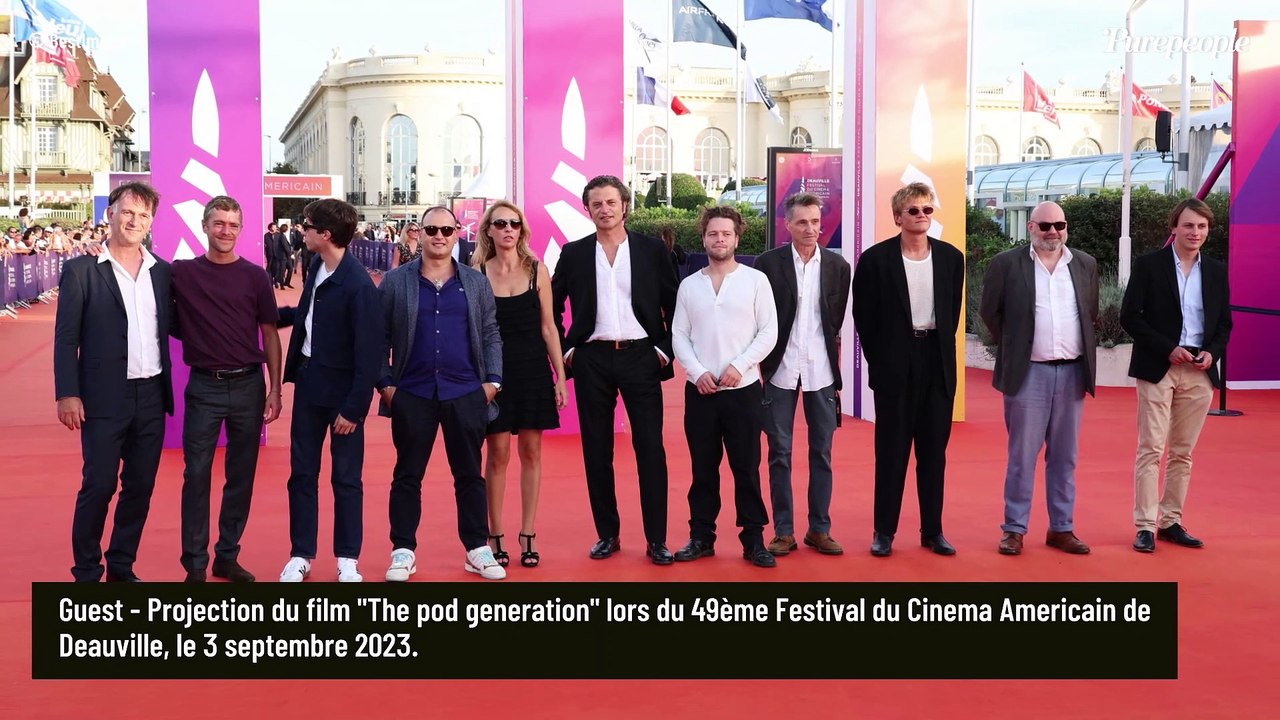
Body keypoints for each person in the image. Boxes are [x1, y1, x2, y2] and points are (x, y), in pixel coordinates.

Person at [551, 174, 678, 565]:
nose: (604, 209)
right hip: (592, 359)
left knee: (650, 450)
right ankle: (607, 533)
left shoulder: (653, 251)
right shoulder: (572, 254)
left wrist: (663, 350)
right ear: (587, 210)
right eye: (596, 204)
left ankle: (657, 539)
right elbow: (551, 308)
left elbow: (676, 306)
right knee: (596, 450)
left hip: (642, 357)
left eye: (610, 202)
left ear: (624, 205)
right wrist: (568, 352)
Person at [378, 206, 506, 581]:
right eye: (431, 229)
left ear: (456, 234)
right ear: (419, 233)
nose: (439, 236)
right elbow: (378, 337)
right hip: (411, 393)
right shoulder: (396, 281)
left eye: (446, 230)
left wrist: (492, 383)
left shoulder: (475, 281)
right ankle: (402, 550)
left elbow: (490, 332)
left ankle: (476, 548)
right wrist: (386, 387)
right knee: (407, 475)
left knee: (469, 474)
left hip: (465, 391)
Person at [54, 181, 173, 581]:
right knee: (99, 485)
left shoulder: (163, 273)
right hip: (103, 397)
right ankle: (86, 570)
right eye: (127, 212)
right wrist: (67, 393)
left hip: (152, 395)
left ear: (151, 222)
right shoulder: (82, 270)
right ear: (110, 214)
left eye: (143, 215)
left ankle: (121, 566)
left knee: (140, 488)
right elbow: (66, 337)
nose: (134, 220)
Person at [172, 196, 284, 582]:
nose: (225, 231)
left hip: (249, 386)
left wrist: (275, 390)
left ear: (241, 229)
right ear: (204, 226)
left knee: (242, 475)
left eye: (233, 225)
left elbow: (270, 333)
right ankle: (196, 565)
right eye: (218, 223)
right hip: (204, 386)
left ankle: (227, 555)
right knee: (196, 473)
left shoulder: (255, 276)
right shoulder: (181, 274)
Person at [851, 182, 964, 558]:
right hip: (895, 364)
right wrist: (881, 362)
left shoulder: (951, 258)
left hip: (936, 361)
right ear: (898, 217)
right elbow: (863, 318)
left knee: (934, 454)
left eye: (928, 210)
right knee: (892, 452)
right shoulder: (875, 259)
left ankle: (933, 530)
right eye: (914, 210)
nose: (922, 216)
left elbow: (951, 313)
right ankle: (884, 531)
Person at [980, 201, 1098, 557]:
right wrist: (1019, 346)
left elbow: (1088, 312)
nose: (1053, 233)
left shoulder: (1084, 264)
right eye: (1045, 226)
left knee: (1065, 456)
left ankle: (1061, 528)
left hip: (1072, 372)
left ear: (1066, 228)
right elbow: (990, 313)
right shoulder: (1006, 264)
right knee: (1022, 455)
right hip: (1028, 373)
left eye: (1059, 226)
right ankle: (1014, 529)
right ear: (1030, 227)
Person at [278, 198, 383, 582]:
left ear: (325, 234)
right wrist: (267, 314)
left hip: (343, 396)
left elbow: (369, 352)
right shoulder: (317, 264)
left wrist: (354, 408)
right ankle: (301, 553)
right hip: (308, 387)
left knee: (346, 478)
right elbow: (308, 314)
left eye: (307, 226)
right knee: (301, 474)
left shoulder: (358, 285)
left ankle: (347, 558)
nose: (301, 231)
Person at [1121, 198, 1231, 553]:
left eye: (1201, 227)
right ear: (1174, 228)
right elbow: (1130, 316)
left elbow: (1224, 323)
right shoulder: (1149, 265)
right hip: (1159, 367)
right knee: (1151, 448)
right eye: (1188, 225)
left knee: (1182, 453)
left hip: (1199, 372)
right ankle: (1145, 526)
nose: (1195, 232)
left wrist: (1212, 351)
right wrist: (1168, 347)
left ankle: (1171, 521)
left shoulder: (1215, 270)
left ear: (1208, 231)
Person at [671, 206, 778, 568]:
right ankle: (701, 537)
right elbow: (679, 335)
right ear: (703, 238)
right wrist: (697, 371)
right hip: (700, 392)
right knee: (703, 469)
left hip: (744, 390)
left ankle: (753, 539)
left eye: (726, 234)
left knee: (746, 468)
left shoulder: (755, 281)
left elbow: (769, 331)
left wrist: (739, 365)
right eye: (713, 233)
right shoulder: (689, 285)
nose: (720, 239)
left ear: (737, 237)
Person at [754, 192, 851, 557]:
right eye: (802, 222)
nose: (811, 229)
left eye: (815, 221)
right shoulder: (767, 264)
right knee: (779, 451)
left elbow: (834, 318)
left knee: (822, 451)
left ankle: (819, 528)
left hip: (821, 371)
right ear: (788, 225)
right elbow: (760, 317)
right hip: (779, 370)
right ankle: (783, 531)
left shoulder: (838, 267)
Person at [472, 201, 567, 568]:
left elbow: (549, 327)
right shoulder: (477, 272)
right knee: (496, 454)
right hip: (493, 374)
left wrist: (560, 376)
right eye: (501, 223)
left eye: (514, 223)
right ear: (489, 230)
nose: (508, 229)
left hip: (532, 370)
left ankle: (527, 534)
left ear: (521, 230)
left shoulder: (537, 270)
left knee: (531, 452)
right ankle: (494, 535)